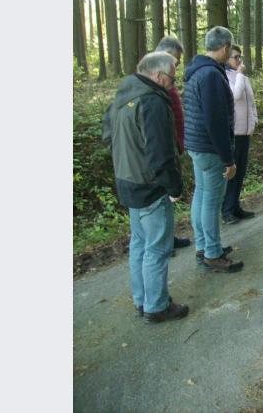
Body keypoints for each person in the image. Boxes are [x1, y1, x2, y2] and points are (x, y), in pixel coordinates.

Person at [101, 52, 189, 323]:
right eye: (173, 79)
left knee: (139, 243)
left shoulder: (122, 96)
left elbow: (108, 139)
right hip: (150, 186)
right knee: (157, 248)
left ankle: (142, 300)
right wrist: (174, 188)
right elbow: (161, 153)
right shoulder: (152, 102)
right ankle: (156, 306)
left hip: (126, 183)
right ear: (159, 76)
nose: (173, 85)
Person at [183, 26, 244, 273]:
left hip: (197, 146)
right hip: (209, 148)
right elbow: (216, 120)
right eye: (230, 48)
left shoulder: (197, 71)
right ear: (225, 47)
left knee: (201, 195)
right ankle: (212, 253)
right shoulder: (211, 75)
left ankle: (203, 245)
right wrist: (228, 159)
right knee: (211, 200)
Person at [154, 36, 191, 251]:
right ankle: (162, 242)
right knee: (162, 195)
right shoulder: (157, 79)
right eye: (176, 61)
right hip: (164, 146)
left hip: (174, 142)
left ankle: (168, 235)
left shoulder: (166, 79)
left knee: (167, 199)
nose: (177, 65)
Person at [221, 46, 258, 224]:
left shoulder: (243, 77)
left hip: (245, 132)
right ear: (227, 59)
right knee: (232, 173)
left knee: (241, 171)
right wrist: (241, 75)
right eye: (236, 57)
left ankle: (235, 206)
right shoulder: (225, 77)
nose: (239, 61)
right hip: (233, 132)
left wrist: (254, 120)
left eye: (240, 57)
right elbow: (235, 96)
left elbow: (251, 101)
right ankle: (226, 210)